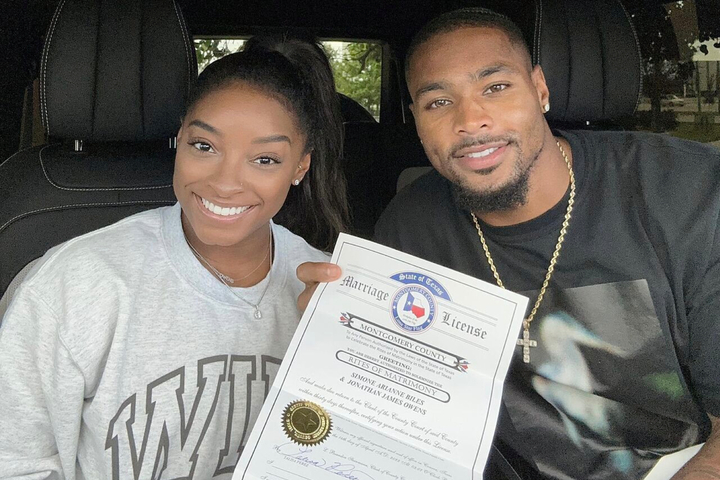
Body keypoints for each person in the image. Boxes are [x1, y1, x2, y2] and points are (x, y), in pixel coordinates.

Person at [297, 7, 720, 480]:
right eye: (438, 102)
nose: (471, 120)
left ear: (540, 90)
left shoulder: (688, 192)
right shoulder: (410, 228)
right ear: (416, 120)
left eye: (496, 88)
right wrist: (342, 334)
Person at [0, 34, 349, 478]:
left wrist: (344, 346)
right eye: (204, 146)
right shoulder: (73, 284)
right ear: (180, 137)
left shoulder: (329, 295)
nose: (225, 183)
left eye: (265, 159)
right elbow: (14, 460)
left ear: (301, 166)